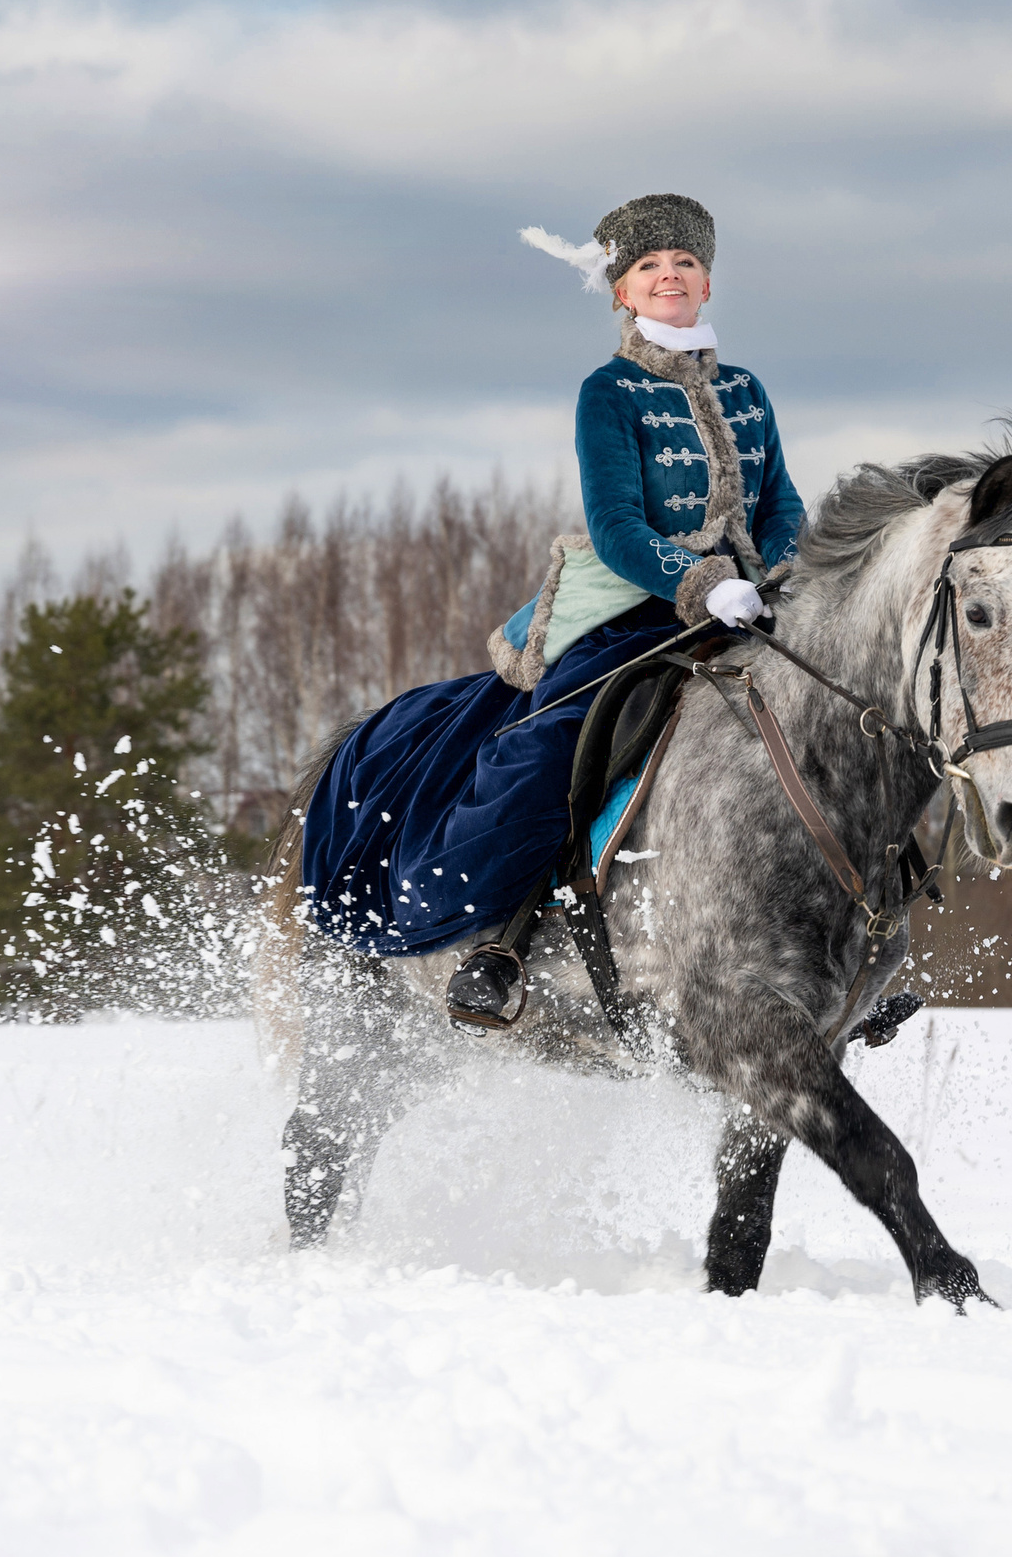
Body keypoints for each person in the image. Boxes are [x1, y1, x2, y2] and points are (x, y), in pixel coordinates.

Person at [293, 193, 805, 1023]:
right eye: (648, 267)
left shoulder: (747, 389)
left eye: (683, 264)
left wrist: (777, 573)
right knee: (551, 750)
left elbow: (781, 501)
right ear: (622, 293)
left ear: (707, 284)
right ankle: (502, 939)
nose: (667, 276)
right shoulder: (608, 391)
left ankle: (850, 931)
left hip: (751, 608)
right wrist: (703, 581)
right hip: (639, 612)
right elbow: (615, 526)